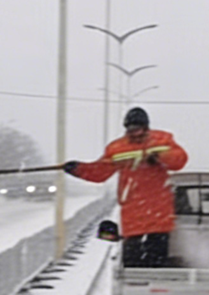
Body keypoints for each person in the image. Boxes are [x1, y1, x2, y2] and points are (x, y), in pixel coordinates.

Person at [64, 107, 188, 266]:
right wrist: (78, 169)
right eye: (131, 128)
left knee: (155, 263)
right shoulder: (117, 148)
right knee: (132, 264)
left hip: (159, 213)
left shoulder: (162, 140)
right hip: (133, 214)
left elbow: (179, 161)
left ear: (146, 127)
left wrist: (160, 156)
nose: (134, 132)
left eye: (138, 127)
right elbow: (100, 172)